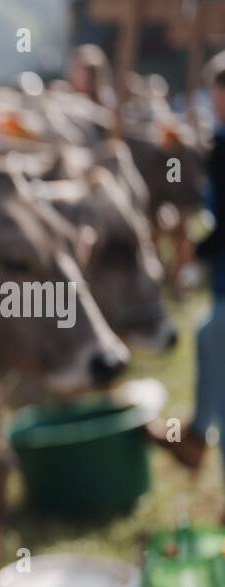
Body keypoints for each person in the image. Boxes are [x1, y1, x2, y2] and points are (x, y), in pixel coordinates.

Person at [160, 52, 225, 472]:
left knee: (211, 335)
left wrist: (195, 256)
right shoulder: (218, 143)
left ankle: (200, 433)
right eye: (217, 97)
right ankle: (200, 433)